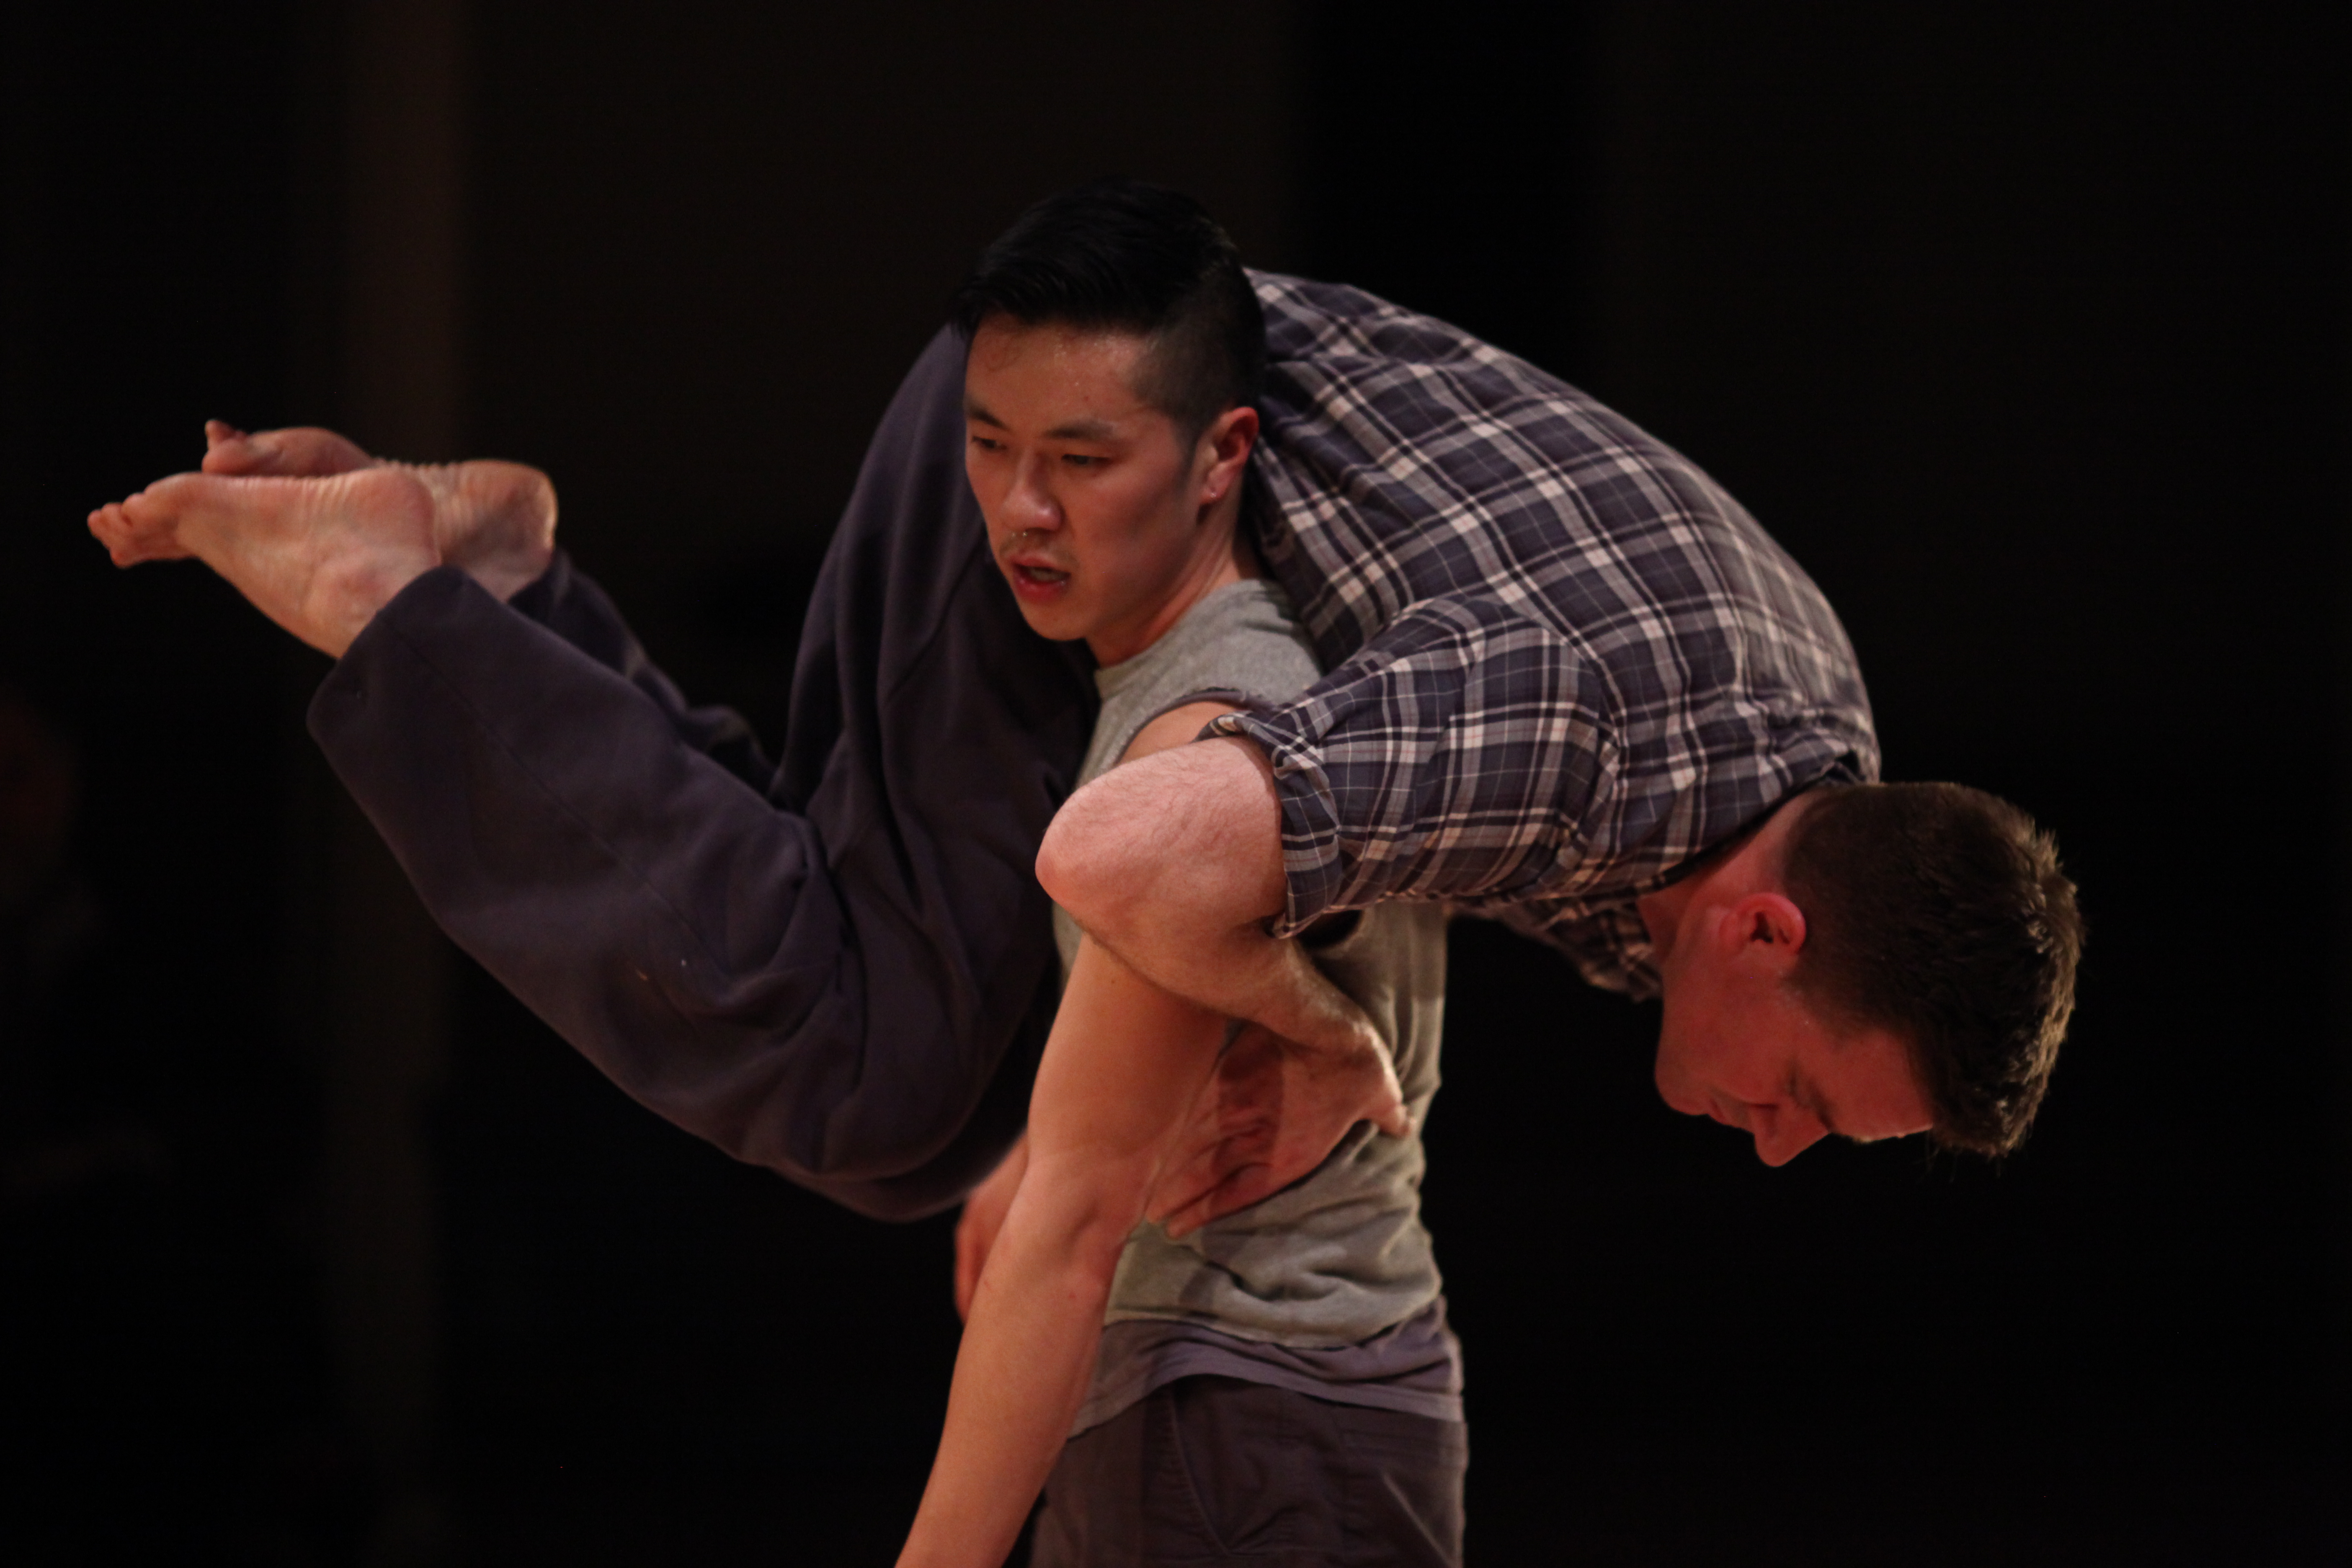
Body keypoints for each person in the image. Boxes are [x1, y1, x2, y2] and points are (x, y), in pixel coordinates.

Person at [85, 180, 2081, 1234]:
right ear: (1767, 927)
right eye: (1810, 1100)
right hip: (1072, 461)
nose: (1772, 1147)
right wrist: (1299, 1039)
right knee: (867, 1067)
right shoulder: (1575, 749)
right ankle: (406, 607)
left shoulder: (1813, 740)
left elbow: (1380, 791)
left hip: (1135, 467)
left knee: (914, 1130)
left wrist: (1077, 1140)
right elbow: (1122, 852)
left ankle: (503, 581)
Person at [899, 199, 1461, 1567]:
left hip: (1239, 1415)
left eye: (1084, 460)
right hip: (1280, 1405)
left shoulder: (1209, 723)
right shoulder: (1233, 663)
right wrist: (1041, 1157)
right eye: (989, 446)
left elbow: (1076, 1236)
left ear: (1224, 456)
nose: (1024, 509)